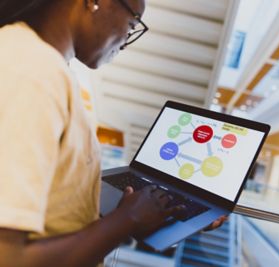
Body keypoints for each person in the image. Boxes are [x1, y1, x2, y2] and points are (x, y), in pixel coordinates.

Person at [0, 0, 227, 266]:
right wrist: (125, 220)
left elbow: (58, 215)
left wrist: (137, 216)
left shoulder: (49, 68)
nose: (126, 42)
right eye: (132, 24)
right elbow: (8, 257)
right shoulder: (31, 72)